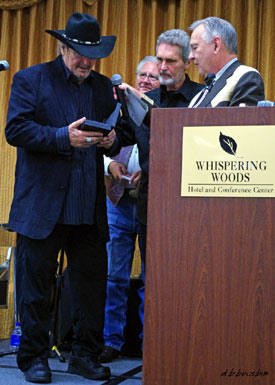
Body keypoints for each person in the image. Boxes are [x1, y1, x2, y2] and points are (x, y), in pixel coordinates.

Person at [5, 12, 118, 383]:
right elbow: (16, 129)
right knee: (35, 289)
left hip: (87, 207)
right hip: (43, 208)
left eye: (92, 55)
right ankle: (33, 357)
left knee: (90, 290)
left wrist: (112, 139)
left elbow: (123, 131)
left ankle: (85, 355)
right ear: (63, 47)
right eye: (78, 53)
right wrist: (60, 137)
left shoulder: (102, 88)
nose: (86, 62)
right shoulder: (31, 79)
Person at [113, 29, 204, 260]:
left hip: (190, 209)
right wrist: (106, 135)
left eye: (170, 61)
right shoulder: (148, 98)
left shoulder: (202, 99)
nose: (162, 67)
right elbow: (122, 137)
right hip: (149, 209)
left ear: (187, 63)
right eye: (160, 59)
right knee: (151, 279)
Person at [99, 56, 160, 363]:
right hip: (119, 202)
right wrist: (110, 165)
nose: (146, 80)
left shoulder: (163, 113)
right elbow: (101, 143)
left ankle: (149, 342)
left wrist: (148, 171)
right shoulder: (117, 106)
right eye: (143, 75)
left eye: (153, 76)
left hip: (155, 206)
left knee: (154, 279)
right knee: (114, 277)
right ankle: (111, 341)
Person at [188, 16, 265, 107]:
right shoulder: (197, 97)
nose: (190, 56)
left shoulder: (246, 77)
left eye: (195, 48)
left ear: (216, 45)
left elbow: (243, 121)